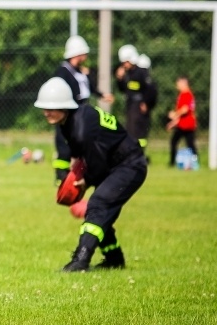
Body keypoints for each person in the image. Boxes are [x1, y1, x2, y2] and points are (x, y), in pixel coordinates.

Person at [34, 77, 147, 271]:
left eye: (51, 107)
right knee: (101, 213)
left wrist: (86, 181)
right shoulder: (71, 121)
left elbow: (97, 162)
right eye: (44, 107)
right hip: (113, 164)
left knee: (98, 204)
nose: (46, 112)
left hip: (129, 165)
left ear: (64, 106)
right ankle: (114, 259)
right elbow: (83, 156)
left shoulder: (81, 127)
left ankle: (81, 260)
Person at [51, 35, 114, 184]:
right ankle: (61, 176)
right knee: (65, 143)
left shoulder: (80, 72)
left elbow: (88, 87)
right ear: (76, 54)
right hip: (68, 111)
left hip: (82, 109)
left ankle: (84, 174)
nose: (85, 56)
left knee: (84, 142)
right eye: (83, 53)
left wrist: (101, 95)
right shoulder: (63, 72)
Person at [114, 44, 157, 153]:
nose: (124, 65)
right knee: (131, 130)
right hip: (131, 105)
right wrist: (119, 79)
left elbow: (151, 89)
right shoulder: (127, 74)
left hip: (139, 106)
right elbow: (123, 89)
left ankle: (139, 153)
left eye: (125, 62)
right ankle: (133, 153)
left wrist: (145, 102)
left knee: (139, 132)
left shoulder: (141, 72)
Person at [166, 76, 198, 167]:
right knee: (174, 142)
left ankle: (195, 161)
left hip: (187, 125)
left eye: (179, 83)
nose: (177, 86)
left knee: (190, 144)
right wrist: (172, 123)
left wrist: (174, 114)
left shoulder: (187, 95)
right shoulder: (181, 95)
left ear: (184, 84)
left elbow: (185, 109)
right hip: (181, 124)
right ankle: (172, 163)